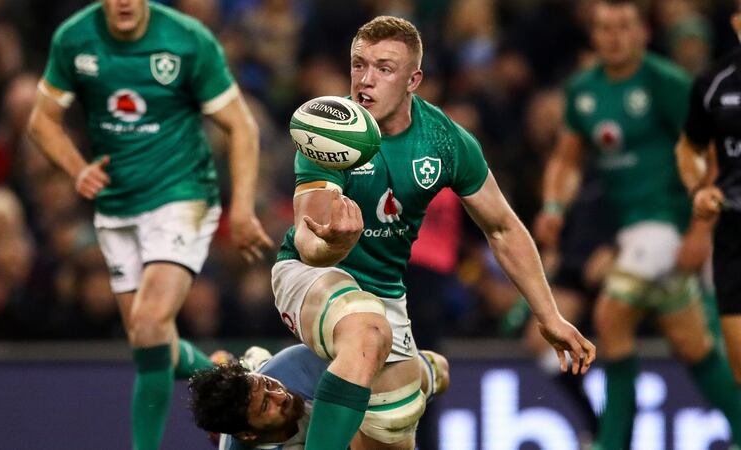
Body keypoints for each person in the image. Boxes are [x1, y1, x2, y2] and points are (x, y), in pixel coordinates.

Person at [272, 15, 595, 450]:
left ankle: (415, 372)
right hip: (308, 276)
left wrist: (548, 315)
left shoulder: (444, 141)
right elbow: (308, 240)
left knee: (392, 429)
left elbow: (501, 228)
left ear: (413, 80)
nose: (365, 80)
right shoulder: (329, 127)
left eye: (384, 69)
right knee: (367, 333)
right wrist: (332, 242)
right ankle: (418, 371)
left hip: (385, 291)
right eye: (358, 65)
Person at [27, 1, 273, 449]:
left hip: (183, 196)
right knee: (150, 344)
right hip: (117, 205)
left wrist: (241, 209)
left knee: (148, 320)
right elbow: (41, 120)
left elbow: (242, 126)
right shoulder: (74, 39)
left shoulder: (187, 40)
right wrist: (77, 168)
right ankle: (225, 372)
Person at [534, 1, 741, 448]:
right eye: (605, 28)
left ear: (643, 32)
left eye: (623, 27)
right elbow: (568, 158)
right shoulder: (583, 90)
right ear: (594, 35)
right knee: (691, 343)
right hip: (631, 231)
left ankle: (612, 442)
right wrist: (553, 207)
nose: (614, 37)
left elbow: (711, 156)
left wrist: (701, 231)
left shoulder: (667, 83)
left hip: (668, 221)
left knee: (611, 315)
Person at [188, 344, 450, 450]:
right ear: (247, 436)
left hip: (360, 395)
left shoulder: (303, 367)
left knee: (439, 371)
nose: (280, 395)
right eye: (266, 404)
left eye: (268, 385)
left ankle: (243, 363)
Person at [676, 0, 741, 385]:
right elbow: (690, 149)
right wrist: (698, 188)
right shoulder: (715, 83)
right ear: (737, 24)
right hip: (735, 231)